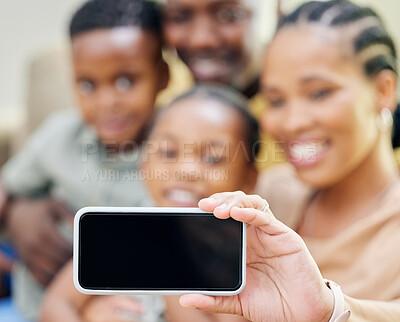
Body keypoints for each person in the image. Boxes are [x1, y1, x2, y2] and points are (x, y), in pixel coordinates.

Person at [177, 1, 400, 321]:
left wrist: (329, 309)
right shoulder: (264, 198)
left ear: (383, 90)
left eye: (319, 93)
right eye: (276, 100)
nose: (292, 122)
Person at [0, 0, 168, 320]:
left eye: (125, 81)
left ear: (162, 76)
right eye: (87, 84)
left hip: (114, 306)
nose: (107, 102)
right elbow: (7, 186)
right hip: (30, 299)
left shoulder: (172, 157)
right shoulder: (60, 135)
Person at [40, 85, 258, 322]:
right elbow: (56, 305)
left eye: (213, 158)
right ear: (143, 163)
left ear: (249, 178)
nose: (186, 171)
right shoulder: (121, 232)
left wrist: (168, 255)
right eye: (167, 152)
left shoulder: (244, 256)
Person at [162, 0, 286, 169]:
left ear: (275, 12)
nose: (201, 40)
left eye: (228, 15)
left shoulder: (298, 119)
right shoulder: (158, 96)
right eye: (180, 17)